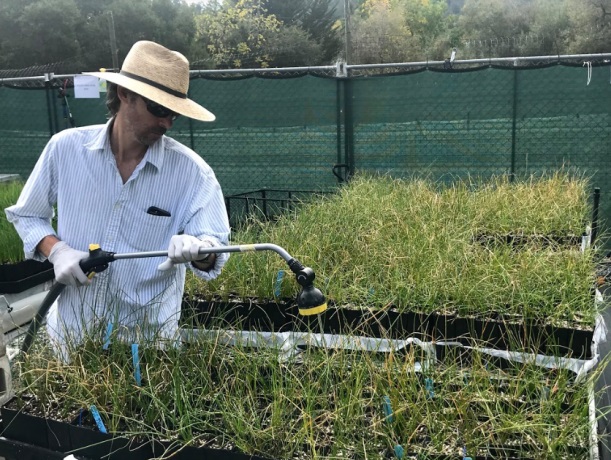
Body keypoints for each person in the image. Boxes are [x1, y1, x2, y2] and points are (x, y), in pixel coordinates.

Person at [5, 40, 230, 357]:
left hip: (149, 346)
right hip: (72, 338)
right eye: (159, 109)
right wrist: (57, 251)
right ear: (125, 95)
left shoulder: (193, 173)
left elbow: (214, 248)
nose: (166, 123)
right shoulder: (65, 150)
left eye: (174, 115)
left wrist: (199, 250)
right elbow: (27, 214)